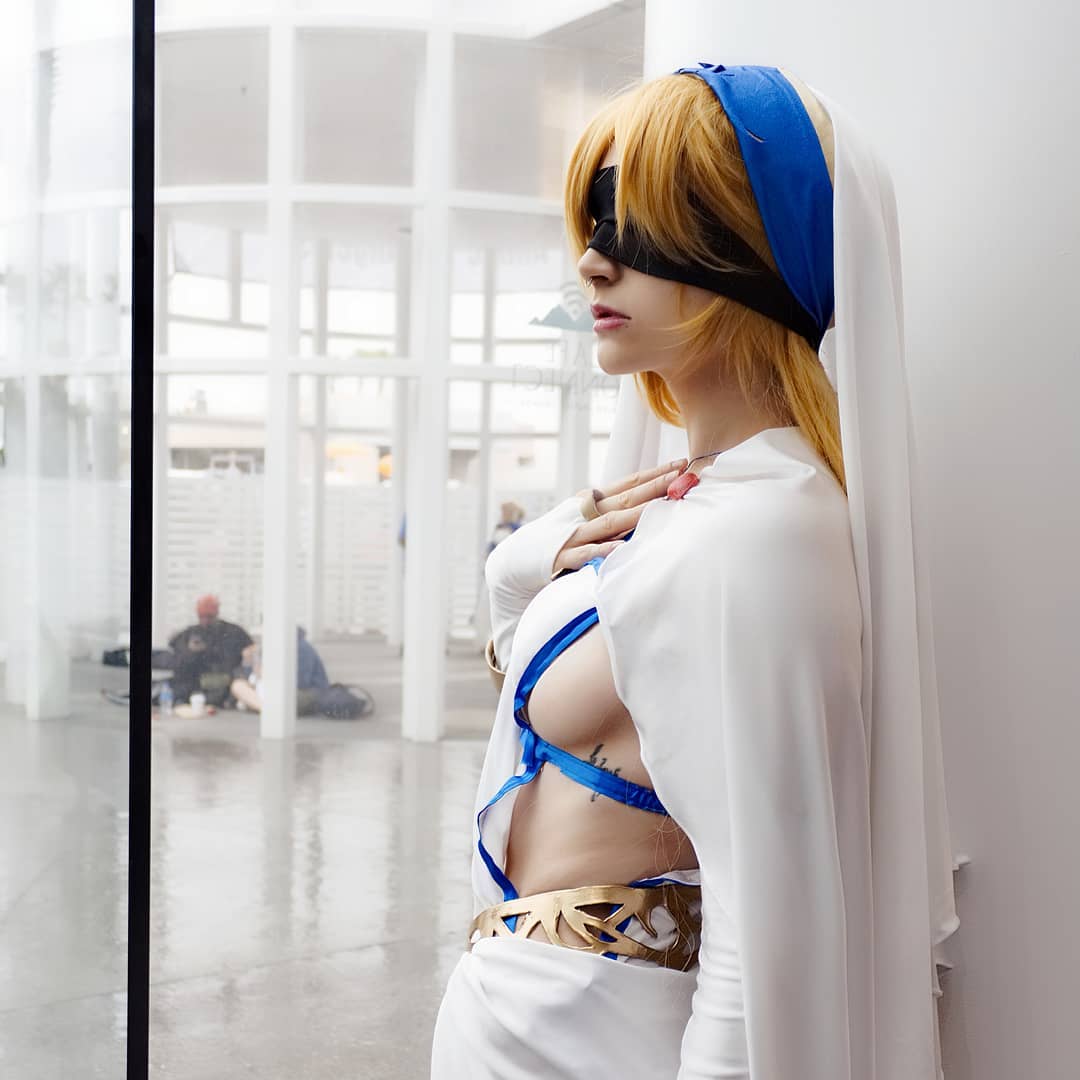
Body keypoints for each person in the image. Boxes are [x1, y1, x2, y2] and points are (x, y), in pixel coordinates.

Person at [431, 64, 959, 1079]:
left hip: (592, 1032)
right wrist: (515, 578)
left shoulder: (757, 535)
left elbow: (765, 935)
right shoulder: (696, 504)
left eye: (636, 227)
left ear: (745, 251)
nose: (592, 262)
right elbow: (583, 725)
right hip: (522, 1011)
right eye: (594, 222)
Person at [167, 594, 253, 706]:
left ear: (216, 614)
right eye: (202, 617)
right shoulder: (189, 633)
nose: (205, 621)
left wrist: (248, 656)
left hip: (228, 681)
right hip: (198, 682)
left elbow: (251, 649)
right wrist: (190, 651)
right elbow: (176, 656)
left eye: (209, 617)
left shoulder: (233, 632)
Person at [230, 626, 331, 716]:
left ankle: (260, 705)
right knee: (238, 685)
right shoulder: (268, 646)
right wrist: (249, 663)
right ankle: (266, 708)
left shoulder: (302, 647)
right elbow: (250, 675)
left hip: (304, 692)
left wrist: (268, 675)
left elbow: (301, 682)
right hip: (270, 688)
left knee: (289, 699)